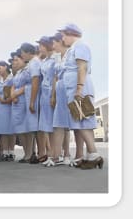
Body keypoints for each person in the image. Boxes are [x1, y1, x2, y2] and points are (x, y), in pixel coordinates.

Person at [59, 23, 103, 169]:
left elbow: (82, 67)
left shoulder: (80, 46)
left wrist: (79, 88)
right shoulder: (73, 49)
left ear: (71, 34)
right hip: (74, 88)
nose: (62, 38)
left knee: (83, 120)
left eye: (64, 35)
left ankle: (94, 155)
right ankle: (91, 154)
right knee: (81, 121)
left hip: (80, 88)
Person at [45, 32, 71, 166]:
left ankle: (67, 154)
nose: (52, 45)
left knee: (66, 125)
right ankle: (57, 155)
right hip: (59, 91)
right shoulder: (56, 57)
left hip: (68, 90)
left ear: (60, 41)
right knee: (59, 123)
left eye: (54, 42)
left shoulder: (70, 53)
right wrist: (53, 95)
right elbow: (55, 77)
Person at [20, 42, 41, 164]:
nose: (22, 55)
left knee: (34, 127)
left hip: (34, 96)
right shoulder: (32, 63)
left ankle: (34, 153)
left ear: (28, 52)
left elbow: (35, 82)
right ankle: (30, 153)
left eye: (22, 53)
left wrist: (32, 101)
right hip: (29, 95)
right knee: (31, 127)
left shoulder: (34, 63)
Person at [36, 36, 56, 165]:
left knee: (54, 125)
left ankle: (56, 153)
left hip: (51, 92)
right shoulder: (45, 60)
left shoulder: (55, 58)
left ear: (47, 45)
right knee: (47, 125)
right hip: (44, 93)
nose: (39, 48)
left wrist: (53, 95)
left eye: (41, 45)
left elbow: (56, 77)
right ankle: (52, 154)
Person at [0, 61, 15, 161]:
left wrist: (7, 100)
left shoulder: (12, 78)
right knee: (3, 129)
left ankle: (11, 151)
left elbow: (13, 91)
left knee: (11, 129)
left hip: (9, 106)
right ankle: (5, 151)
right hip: (1, 106)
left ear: (6, 67)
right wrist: (0, 99)